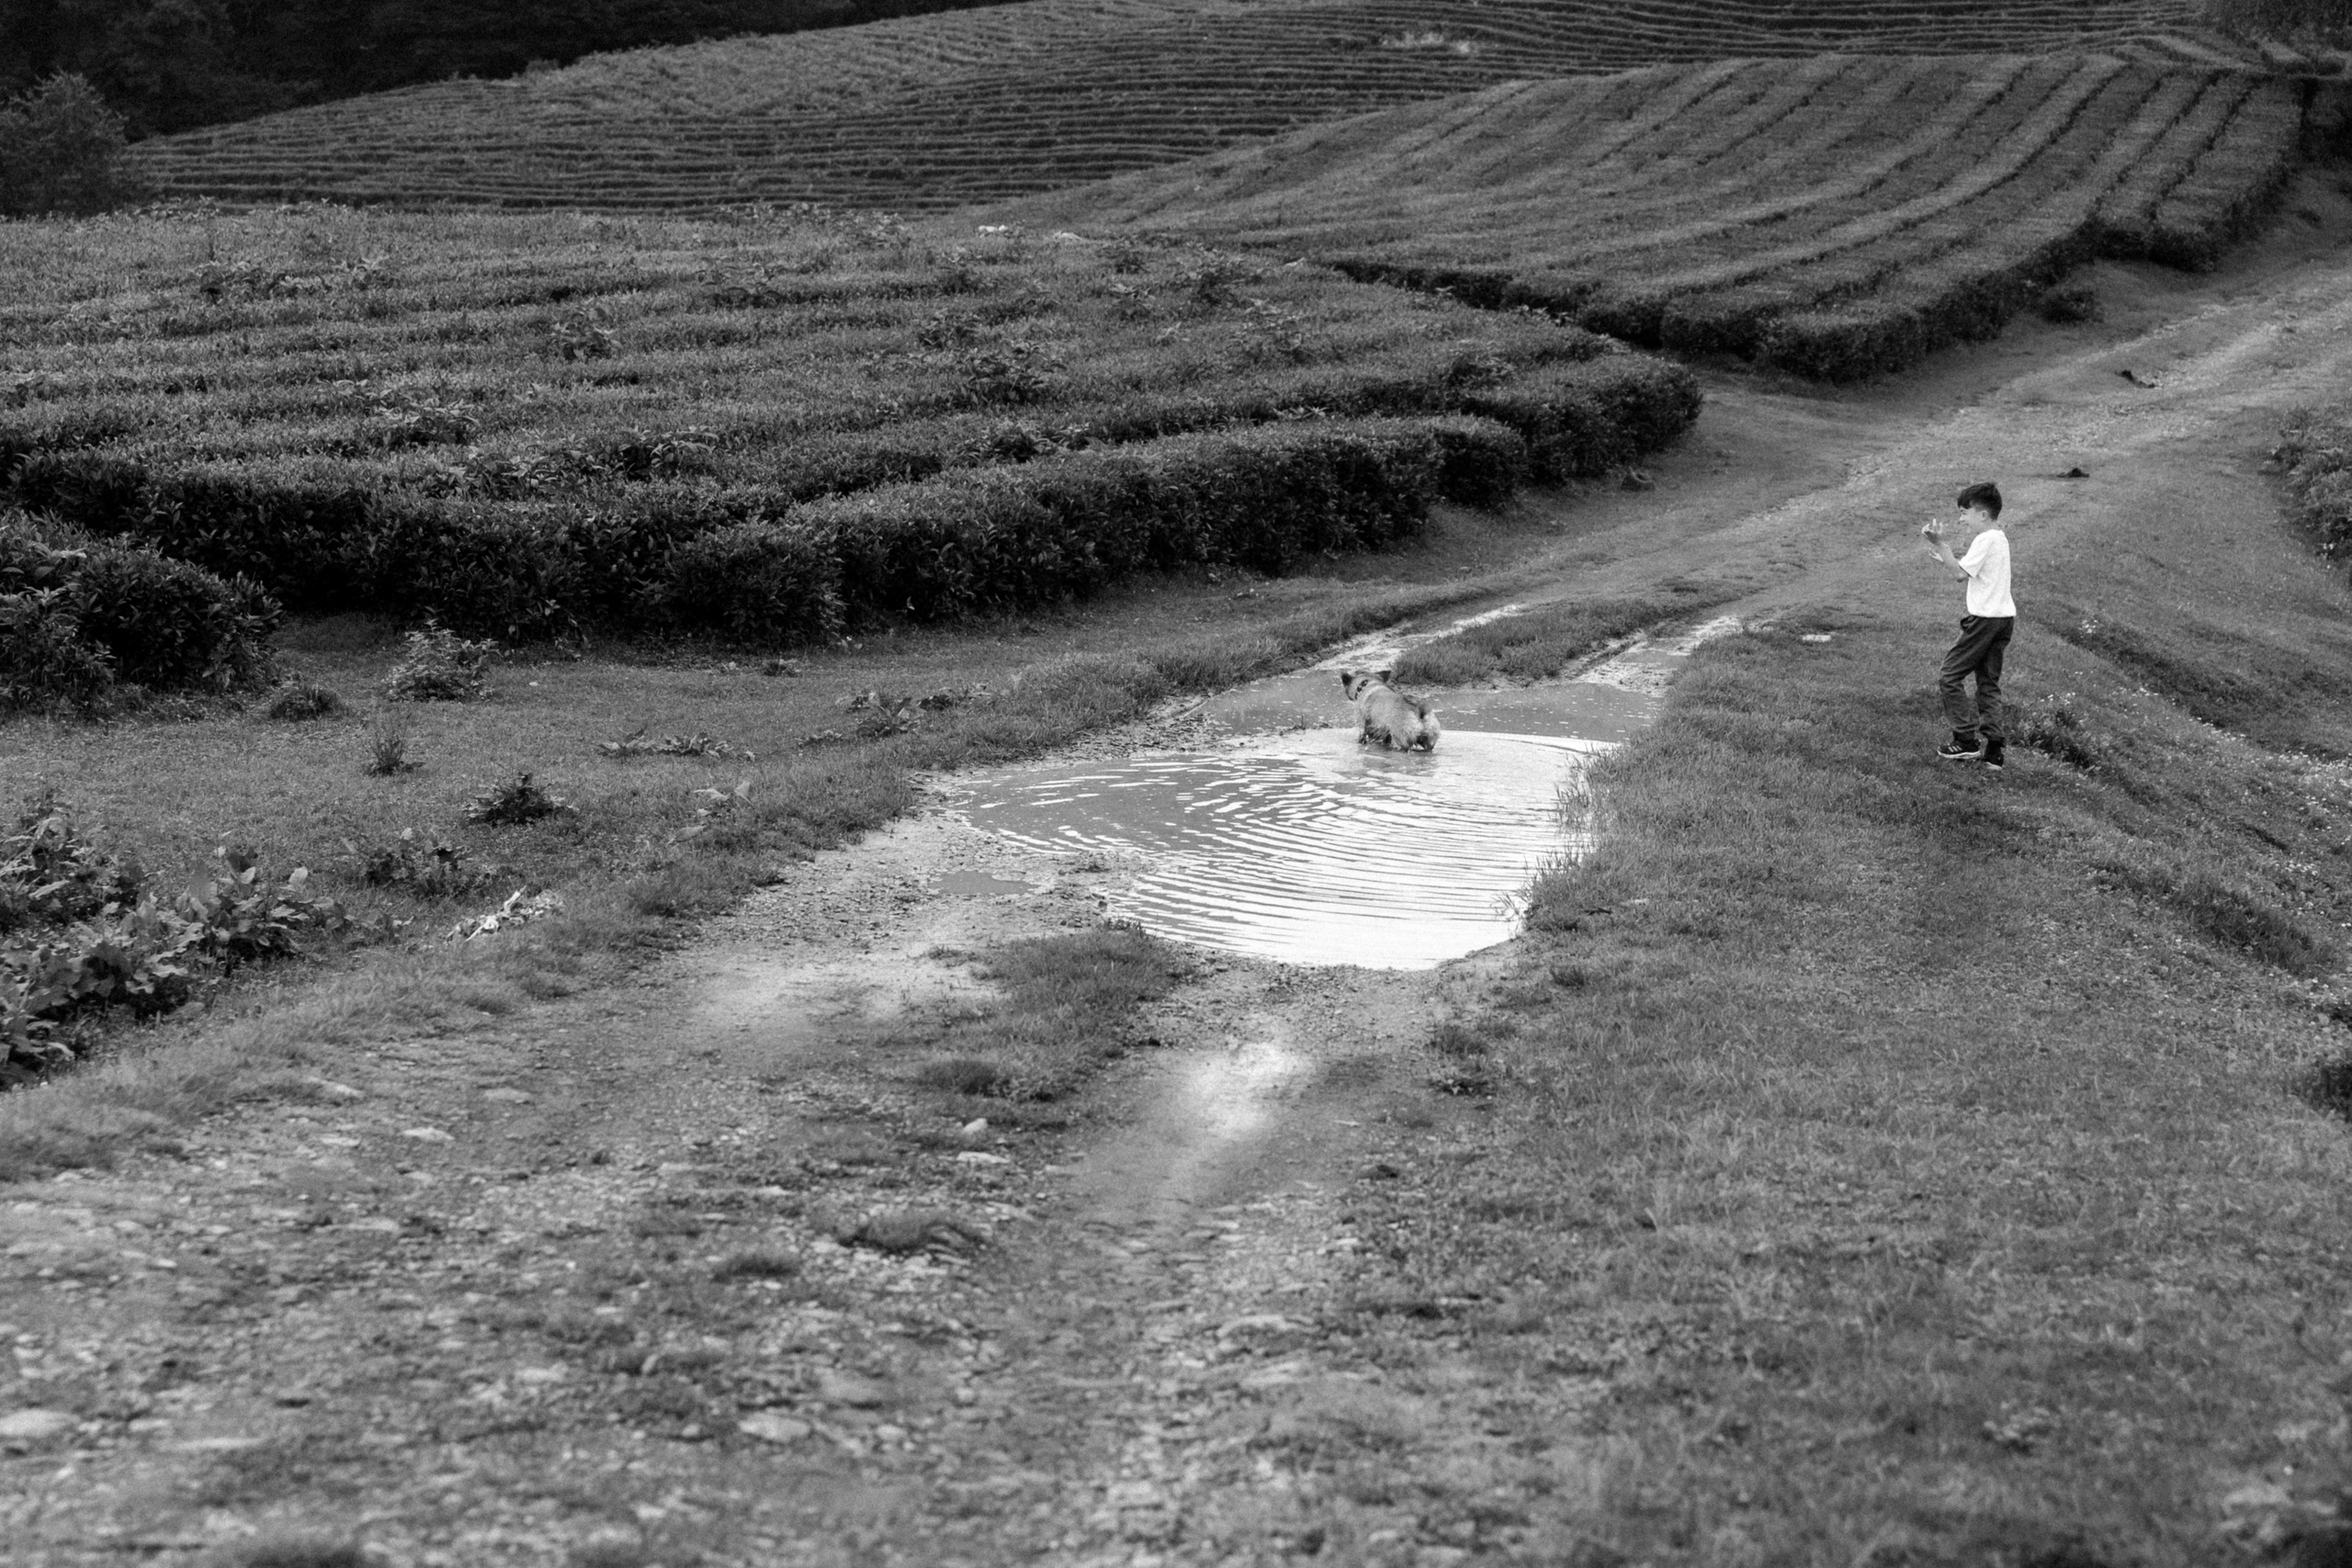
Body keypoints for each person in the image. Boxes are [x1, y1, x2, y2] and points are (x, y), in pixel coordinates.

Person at [1920, 481, 2015, 770]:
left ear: (1983, 515)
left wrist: (1942, 545)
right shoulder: (2000, 538)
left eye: (1964, 513)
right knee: (1988, 683)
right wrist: (1948, 560)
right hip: (2003, 619)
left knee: (1949, 676)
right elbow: (1975, 571)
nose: (1961, 519)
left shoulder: (1985, 539)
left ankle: (1965, 741)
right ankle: (1994, 752)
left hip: (1983, 621)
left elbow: (1960, 575)